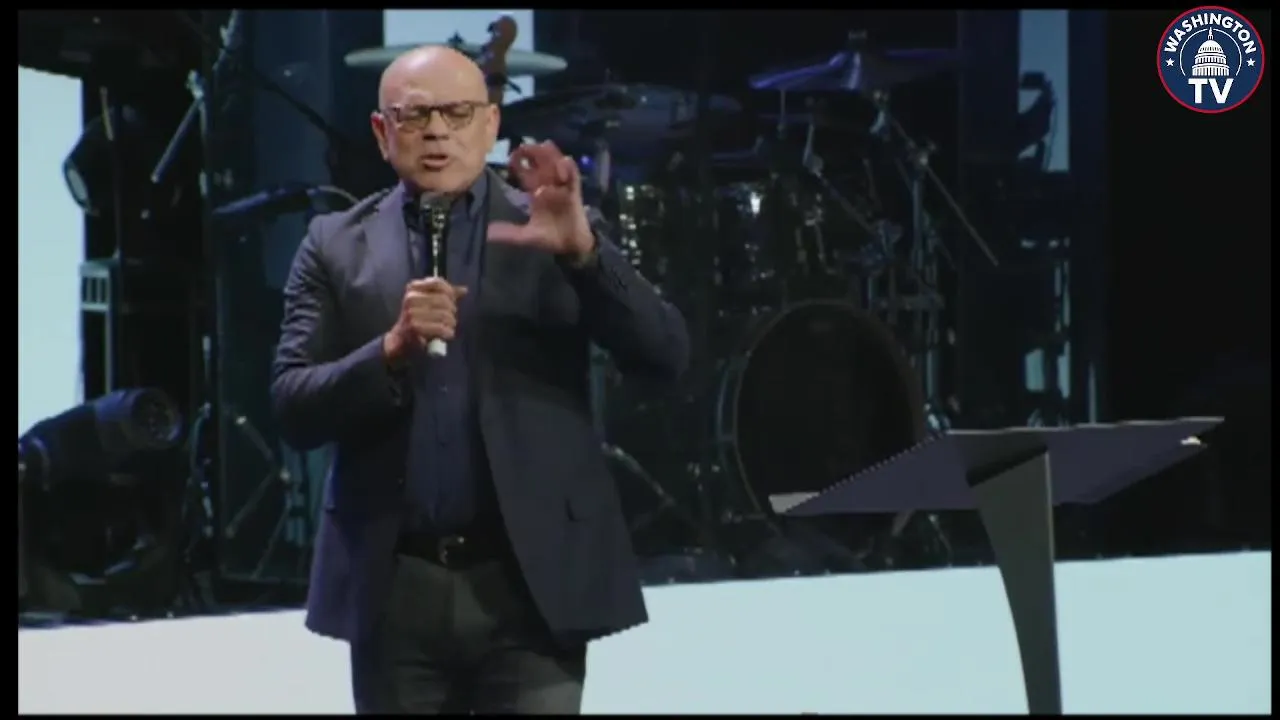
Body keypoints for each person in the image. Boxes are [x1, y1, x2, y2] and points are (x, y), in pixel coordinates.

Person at [269, 44, 689, 714]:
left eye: (458, 113)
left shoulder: (552, 225)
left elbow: (665, 355)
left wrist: (585, 256)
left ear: (491, 124)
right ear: (382, 132)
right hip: (394, 586)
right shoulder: (334, 243)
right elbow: (293, 406)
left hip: (533, 585)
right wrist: (389, 351)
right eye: (415, 116)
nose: (437, 132)